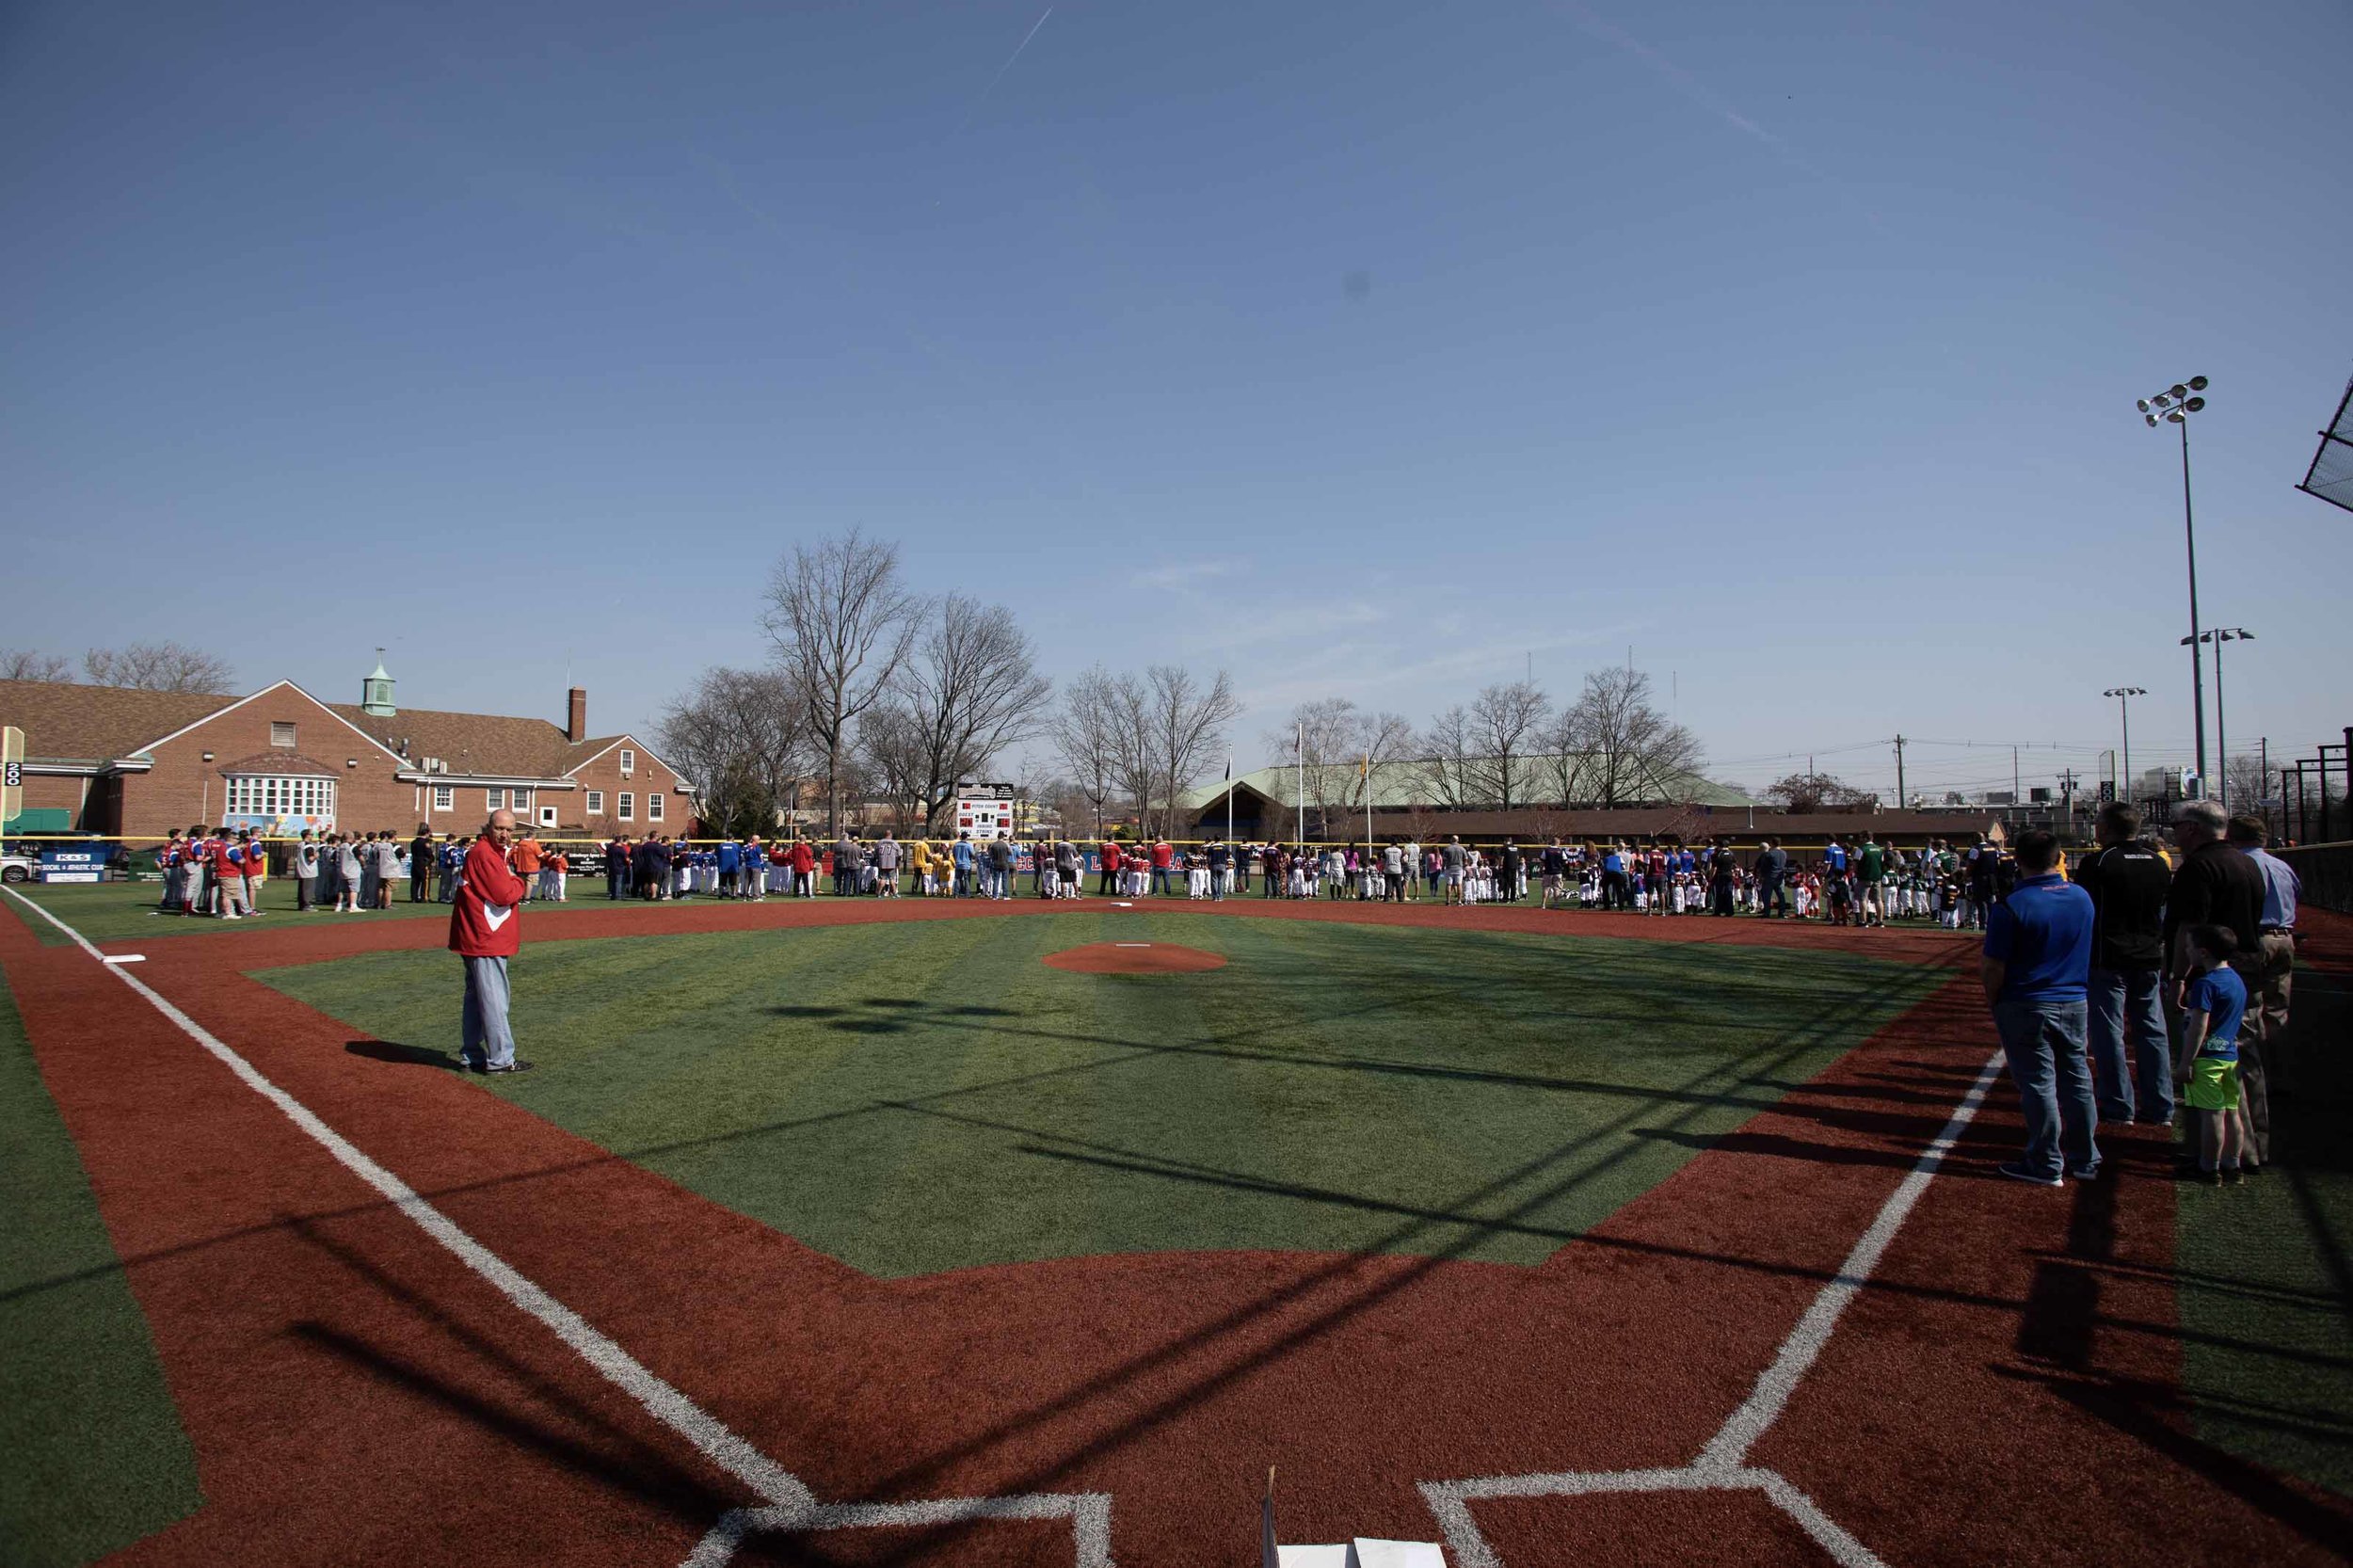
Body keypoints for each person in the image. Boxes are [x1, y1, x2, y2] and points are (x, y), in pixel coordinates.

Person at [1980, 828, 2098, 1187]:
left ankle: (2046, 1162)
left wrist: (1994, 1001)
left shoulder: (2013, 905)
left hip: (2027, 1000)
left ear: (2019, 860)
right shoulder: (2081, 896)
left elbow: (1993, 967)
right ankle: (2085, 1158)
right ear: (2058, 856)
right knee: (2077, 1078)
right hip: (2074, 999)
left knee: (2038, 1083)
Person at [2164, 800, 2268, 1169]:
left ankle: (2214, 1153)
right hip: (2246, 971)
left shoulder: (2200, 867)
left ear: (2193, 828)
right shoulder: (2249, 862)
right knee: (2246, 1062)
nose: (2173, 833)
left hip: (2212, 975)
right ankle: (2251, 1148)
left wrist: (2178, 976)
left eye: (2176, 826)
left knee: (2206, 1064)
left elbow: (2188, 927)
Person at [2069, 803, 2173, 1126]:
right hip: (2149, 955)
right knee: (2153, 1030)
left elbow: (2083, 910)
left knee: (2108, 1033)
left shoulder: (2098, 862)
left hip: (2109, 957)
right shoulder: (2158, 862)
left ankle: (2118, 1104)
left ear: (2107, 828)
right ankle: (2160, 1105)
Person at [449, 809, 533, 1074]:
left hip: (478, 937)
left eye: (509, 830)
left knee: (477, 999)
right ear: (488, 828)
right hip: (485, 938)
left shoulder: (489, 853)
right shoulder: (484, 854)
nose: (505, 835)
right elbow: (503, 893)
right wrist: (518, 883)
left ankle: (472, 1055)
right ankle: (501, 1059)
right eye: (499, 829)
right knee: (494, 999)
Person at [2228, 815, 2301, 1090]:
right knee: (2278, 1012)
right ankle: (2278, 1077)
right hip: (2284, 937)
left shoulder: (2240, 865)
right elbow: (2296, 896)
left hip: (2254, 939)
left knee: (2249, 1011)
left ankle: (2252, 1078)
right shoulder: (2281, 865)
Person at [2174, 924, 2249, 1185]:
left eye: (2189, 947)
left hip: (2207, 1058)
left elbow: (2199, 1025)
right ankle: (2233, 1165)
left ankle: (2208, 1167)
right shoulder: (2236, 980)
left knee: (2212, 1115)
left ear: (2203, 952)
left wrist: (2186, 1062)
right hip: (2228, 1056)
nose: (2187, 951)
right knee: (2232, 1112)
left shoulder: (2206, 984)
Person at [410, 824, 435, 902]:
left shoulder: (413, 842)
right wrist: (431, 860)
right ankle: (424, 897)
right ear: (426, 833)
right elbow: (429, 853)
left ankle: (414, 897)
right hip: (423, 863)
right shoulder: (425, 843)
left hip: (415, 863)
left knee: (415, 881)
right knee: (425, 881)